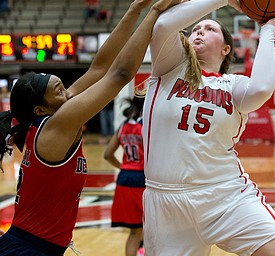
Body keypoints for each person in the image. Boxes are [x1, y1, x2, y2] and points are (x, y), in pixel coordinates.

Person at [0, 0, 180, 254]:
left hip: (33, 245)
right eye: (60, 91)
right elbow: (119, 74)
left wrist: (134, 10)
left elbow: (99, 68)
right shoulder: (56, 126)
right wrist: (154, 13)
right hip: (27, 249)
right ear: (40, 109)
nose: (70, 94)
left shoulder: (54, 115)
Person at [142, 0, 275, 255]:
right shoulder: (169, 67)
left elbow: (262, 88)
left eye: (209, 29)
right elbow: (163, 24)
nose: (199, 31)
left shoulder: (233, 85)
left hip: (225, 194)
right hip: (166, 203)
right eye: (196, 28)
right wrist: (226, 0)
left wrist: (268, 29)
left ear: (225, 49)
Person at [104, 96, 145, 256]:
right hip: (142, 179)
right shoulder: (146, 126)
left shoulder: (123, 126)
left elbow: (107, 154)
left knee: (134, 231)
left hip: (124, 178)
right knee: (146, 230)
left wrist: (123, 167)